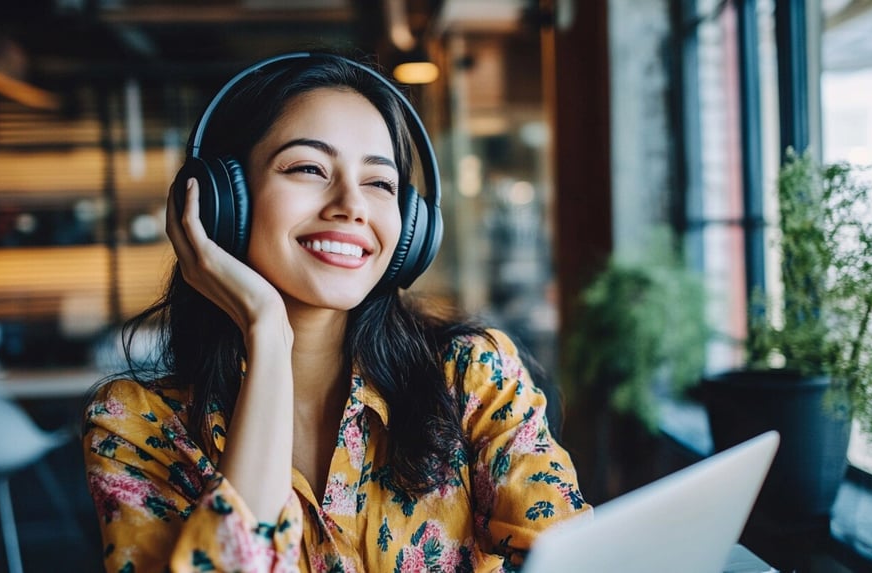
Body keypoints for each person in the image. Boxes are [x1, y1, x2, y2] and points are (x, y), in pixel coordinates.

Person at [82, 52, 589, 573]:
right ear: (222, 202)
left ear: (411, 226)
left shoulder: (471, 376)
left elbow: (577, 556)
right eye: (308, 168)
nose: (352, 204)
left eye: (380, 183)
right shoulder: (136, 425)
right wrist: (266, 332)